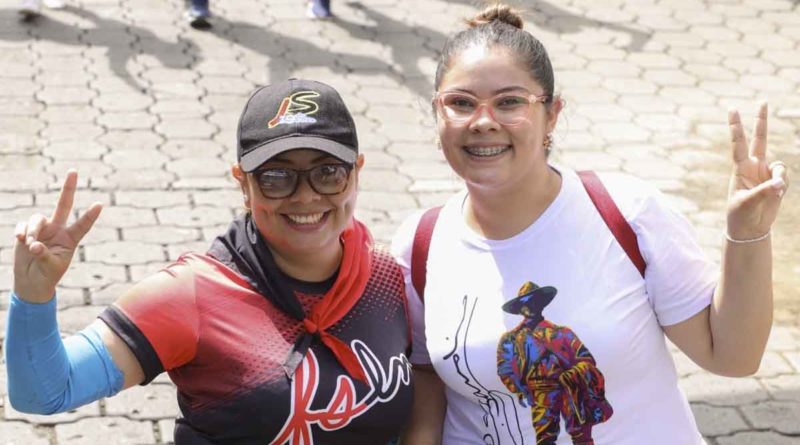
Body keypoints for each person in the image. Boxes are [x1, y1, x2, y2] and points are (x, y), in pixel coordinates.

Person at [391, 4, 790, 445]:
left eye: (510, 102)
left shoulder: (626, 214)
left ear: (553, 115)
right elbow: (430, 382)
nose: (484, 122)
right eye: (461, 103)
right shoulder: (421, 245)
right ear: (437, 113)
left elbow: (733, 357)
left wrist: (748, 233)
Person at [6, 79, 413, 445]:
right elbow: (45, 392)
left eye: (328, 173)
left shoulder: (388, 277)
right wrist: (34, 296)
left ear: (357, 173)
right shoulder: (193, 295)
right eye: (276, 177)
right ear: (243, 182)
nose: (305, 196)